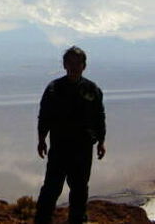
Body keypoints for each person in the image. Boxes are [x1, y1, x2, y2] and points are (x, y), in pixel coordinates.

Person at [34, 46, 106, 224]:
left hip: (82, 149)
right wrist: (41, 139)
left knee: (80, 189)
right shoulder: (54, 88)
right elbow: (45, 115)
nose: (74, 66)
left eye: (78, 63)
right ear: (65, 65)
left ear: (84, 65)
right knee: (51, 188)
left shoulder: (92, 89)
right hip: (60, 147)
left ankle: (77, 221)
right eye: (70, 62)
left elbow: (99, 116)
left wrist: (101, 141)